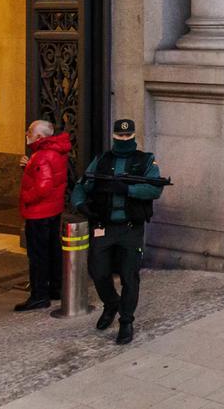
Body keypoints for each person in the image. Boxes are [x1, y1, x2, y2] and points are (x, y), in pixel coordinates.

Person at [70, 119, 166, 345]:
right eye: (120, 136)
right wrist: (81, 205)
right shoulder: (102, 160)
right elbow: (82, 185)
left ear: (133, 136)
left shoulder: (145, 160)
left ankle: (126, 320)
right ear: (114, 136)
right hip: (104, 226)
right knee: (98, 272)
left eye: (127, 136)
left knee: (129, 276)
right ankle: (111, 303)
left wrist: (128, 188)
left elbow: (154, 188)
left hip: (130, 228)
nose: (124, 140)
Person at [16, 120, 71, 311]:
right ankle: (56, 287)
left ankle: (39, 295)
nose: (26, 134)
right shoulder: (55, 151)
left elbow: (43, 186)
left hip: (39, 212)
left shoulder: (41, 156)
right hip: (53, 209)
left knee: (38, 254)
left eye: (29, 131)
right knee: (53, 249)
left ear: (39, 137)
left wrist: (25, 197)